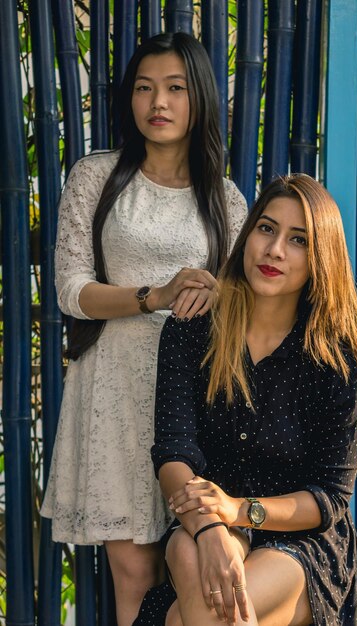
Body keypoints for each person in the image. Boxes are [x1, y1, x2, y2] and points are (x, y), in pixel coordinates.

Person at [40, 32, 247, 626]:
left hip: (197, 399)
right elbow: (70, 290)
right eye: (144, 88)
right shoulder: (96, 177)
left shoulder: (226, 200)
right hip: (113, 389)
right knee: (134, 572)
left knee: (192, 562)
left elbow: (250, 303)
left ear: (199, 98)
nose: (158, 102)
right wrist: (152, 296)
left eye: (176, 89)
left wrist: (218, 293)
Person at [139, 174, 357, 626]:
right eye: (266, 229)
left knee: (190, 619)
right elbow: (173, 452)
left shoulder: (336, 361)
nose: (274, 250)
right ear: (248, 234)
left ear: (320, 260)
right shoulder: (192, 331)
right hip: (201, 518)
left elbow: (328, 499)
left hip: (301, 544)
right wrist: (213, 526)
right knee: (192, 562)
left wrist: (239, 510)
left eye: (298, 240)